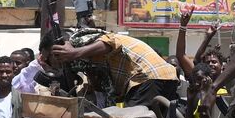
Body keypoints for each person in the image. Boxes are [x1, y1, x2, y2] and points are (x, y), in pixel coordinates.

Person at [49, 31, 179, 109]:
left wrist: (74, 52)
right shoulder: (85, 64)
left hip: (147, 76)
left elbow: (110, 41)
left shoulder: (78, 41)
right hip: (167, 75)